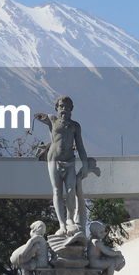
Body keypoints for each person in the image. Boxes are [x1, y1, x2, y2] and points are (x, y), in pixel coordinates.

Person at [34, 96, 100, 236]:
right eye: (61, 106)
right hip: (54, 159)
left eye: (67, 107)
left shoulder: (75, 126)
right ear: (57, 108)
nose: (64, 109)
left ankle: (69, 219)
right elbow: (42, 118)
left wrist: (85, 164)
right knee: (57, 191)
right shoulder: (53, 120)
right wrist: (40, 117)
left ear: (71, 109)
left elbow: (80, 146)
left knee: (71, 190)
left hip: (70, 161)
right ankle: (62, 224)